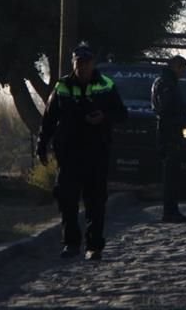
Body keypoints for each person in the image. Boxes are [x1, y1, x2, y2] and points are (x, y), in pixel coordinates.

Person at [36, 42, 128, 261]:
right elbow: (49, 119)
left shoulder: (106, 85)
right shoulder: (62, 87)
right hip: (69, 155)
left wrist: (104, 116)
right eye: (79, 63)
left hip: (97, 153)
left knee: (96, 202)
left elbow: (122, 114)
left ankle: (94, 246)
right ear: (73, 64)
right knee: (67, 200)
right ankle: (71, 244)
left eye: (86, 63)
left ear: (93, 63)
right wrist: (42, 145)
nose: (82, 67)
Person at [151, 55, 186, 223]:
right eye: (182, 69)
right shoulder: (166, 84)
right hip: (169, 133)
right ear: (176, 66)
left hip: (171, 131)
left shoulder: (166, 82)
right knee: (170, 176)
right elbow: (166, 109)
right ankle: (169, 211)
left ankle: (172, 210)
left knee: (173, 175)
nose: (183, 73)